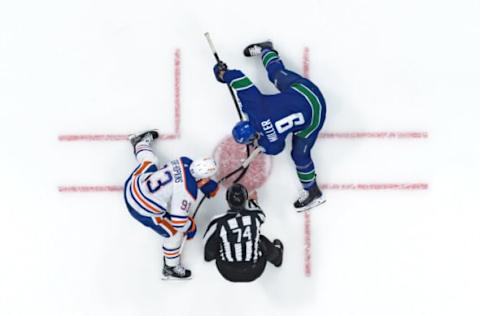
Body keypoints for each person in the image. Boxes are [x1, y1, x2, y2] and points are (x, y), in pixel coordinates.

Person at [213, 41, 327, 212]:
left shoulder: (269, 143)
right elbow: (240, 80)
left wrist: (261, 145)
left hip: (314, 119)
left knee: (300, 155)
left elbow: (277, 148)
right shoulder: (254, 106)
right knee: (275, 73)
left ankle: (313, 191)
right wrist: (223, 75)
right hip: (306, 92)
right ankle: (266, 50)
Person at [124, 129, 219, 280]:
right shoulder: (187, 191)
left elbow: (184, 178)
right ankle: (170, 267)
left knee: (151, 162)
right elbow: (179, 221)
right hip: (141, 209)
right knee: (174, 233)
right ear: (203, 178)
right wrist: (191, 227)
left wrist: (206, 185)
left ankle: (140, 143)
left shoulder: (185, 161)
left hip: (133, 186)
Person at [203, 183, 283, 282]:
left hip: (227, 272)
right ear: (245, 199)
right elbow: (260, 215)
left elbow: (208, 255)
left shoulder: (218, 222)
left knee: (218, 238)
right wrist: (253, 201)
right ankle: (277, 258)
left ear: (227, 201)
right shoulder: (256, 217)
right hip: (255, 270)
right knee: (259, 239)